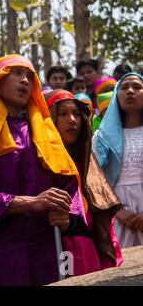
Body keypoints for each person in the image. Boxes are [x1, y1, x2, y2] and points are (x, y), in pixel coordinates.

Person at [0, 54, 86, 286]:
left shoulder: (47, 132)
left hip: (49, 251)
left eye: (30, 77)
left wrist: (66, 217)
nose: (25, 80)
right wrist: (31, 202)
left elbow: (69, 186)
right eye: (16, 73)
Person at [44, 89, 123, 270]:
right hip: (56, 250)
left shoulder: (85, 164)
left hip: (87, 249)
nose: (72, 120)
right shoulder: (40, 166)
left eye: (76, 114)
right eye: (62, 114)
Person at [93, 72, 143, 248]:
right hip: (115, 211)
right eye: (124, 87)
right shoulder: (100, 138)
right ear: (116, 95)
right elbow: (94, 179)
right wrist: (117, 211)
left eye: (137, 87)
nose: (130, 91)